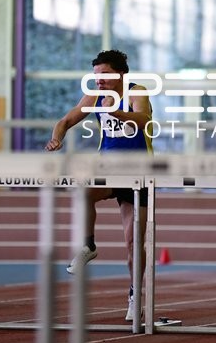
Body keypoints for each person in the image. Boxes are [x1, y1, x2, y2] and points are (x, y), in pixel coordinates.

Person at [45, 49, 153, 321]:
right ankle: (88, 245)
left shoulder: (137, 92)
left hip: (139, 173)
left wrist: (116, 111)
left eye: (105, 75)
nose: (99, 80)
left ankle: (134, 294)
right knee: (82, 191)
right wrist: (57, 138)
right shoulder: (94, 96)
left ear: (121, 74)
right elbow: (65, 120)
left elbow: (143, 121)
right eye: (96, 75)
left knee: (132, 243)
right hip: (107, 169)